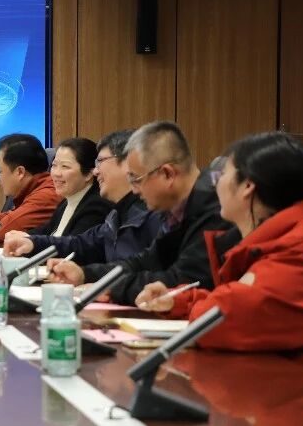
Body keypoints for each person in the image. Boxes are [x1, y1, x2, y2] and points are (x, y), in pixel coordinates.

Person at [135, 132, 303, 357]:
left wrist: (198, 305)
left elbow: (217, 321)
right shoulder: (290, 237)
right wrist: (179, 301)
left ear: (247, 186)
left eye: (221, 175)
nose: (215, 185)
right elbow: (238, 302)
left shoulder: (302, 259)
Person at [46, 120, 234, 306]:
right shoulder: (176, 207)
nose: (134, 190)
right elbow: (147, 261)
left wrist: (113, 288)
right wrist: (86, 274)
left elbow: (184, 281)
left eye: (136, 179)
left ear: (167, 174)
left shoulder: (215, 209)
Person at [3, 129, 164, 281]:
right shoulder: (117, 213)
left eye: (100, 161)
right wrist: (32, 242)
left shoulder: (154, 214)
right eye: (54, 165)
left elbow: (146, 273)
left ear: (129, 163)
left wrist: (90, 278)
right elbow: (81, 243)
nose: (96, 171)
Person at [0, 133, 60, 243]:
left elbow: (3, 232)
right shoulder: (38, 189)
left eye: (0, 171)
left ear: (20, 172)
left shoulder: (46, 197)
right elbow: (13, 216)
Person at [28, 137, 111, 237]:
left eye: (65, 166)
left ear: (89, 174)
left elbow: (73, 244)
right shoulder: (67, 200)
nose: (56, 173)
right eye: (54, 165)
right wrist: (22, 236)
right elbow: (45, 230)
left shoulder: (96, 206)